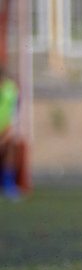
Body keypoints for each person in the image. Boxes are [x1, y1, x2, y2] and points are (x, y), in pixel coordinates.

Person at [0, 66, 23, 199]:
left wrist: (3, 139)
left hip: (3, 132)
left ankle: (9, 184)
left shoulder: (10, 92)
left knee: (10, 147)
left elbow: (12, 119)